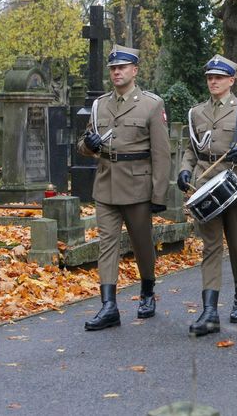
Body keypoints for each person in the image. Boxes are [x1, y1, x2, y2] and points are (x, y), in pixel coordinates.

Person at [77, 44, 170, 331]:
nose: (117, 72)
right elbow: (84, 144)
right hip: (106, 183)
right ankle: (109, 306)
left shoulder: (151, 104)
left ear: (134, 70)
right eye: (113, 68)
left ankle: (146, 290)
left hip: (137, 185)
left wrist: (158, 194)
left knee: (142, 244)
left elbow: (161, 153)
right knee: (107, 245)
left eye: (122, 68)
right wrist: (88, 146)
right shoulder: (100, 104)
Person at [177, 54, 237, 336]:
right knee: (211, 246)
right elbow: (191, 149)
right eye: (210, 78)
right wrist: (184, 170)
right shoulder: (196, 113)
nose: (213, 82)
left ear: (231, 80)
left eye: (219, 78)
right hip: (206, 185)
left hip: (236, 184)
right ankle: (210, 311)